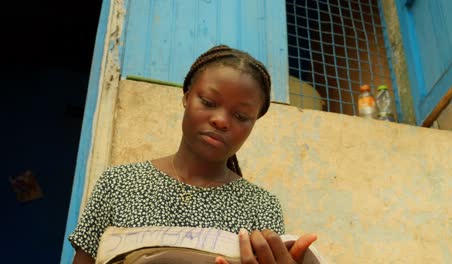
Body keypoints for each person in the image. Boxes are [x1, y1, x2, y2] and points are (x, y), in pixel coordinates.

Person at [69, 45, 317, 264]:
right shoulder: (118, 182)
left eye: (241, 116)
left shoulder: (261, 207)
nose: (220, 120)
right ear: (187, 98)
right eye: (209, 102)